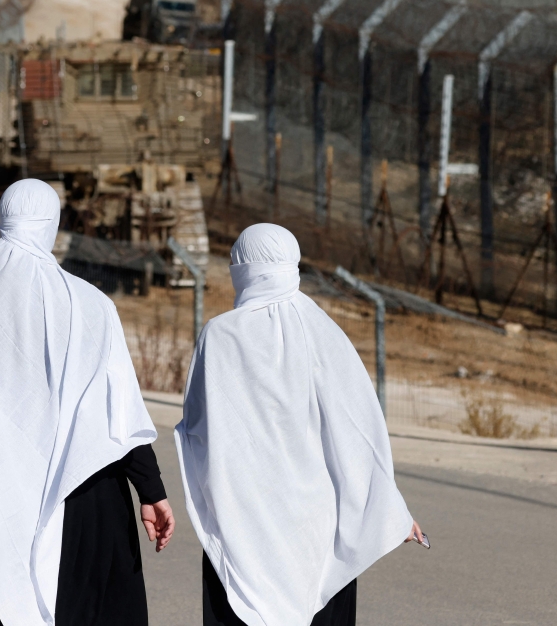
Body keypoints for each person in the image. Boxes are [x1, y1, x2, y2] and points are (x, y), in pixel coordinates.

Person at [0, 179, 175, 626]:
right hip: (81, 498)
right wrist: (151, 490)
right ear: (53, 224)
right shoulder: (89, 302)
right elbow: (118, 407)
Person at [175, 223, 425, 626]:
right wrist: (388, 506)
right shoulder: (325, 331)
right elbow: (356, 432)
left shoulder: (220, 335)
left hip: (244, 519)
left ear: (242, 267)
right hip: (316, 524)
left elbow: (199, 429)